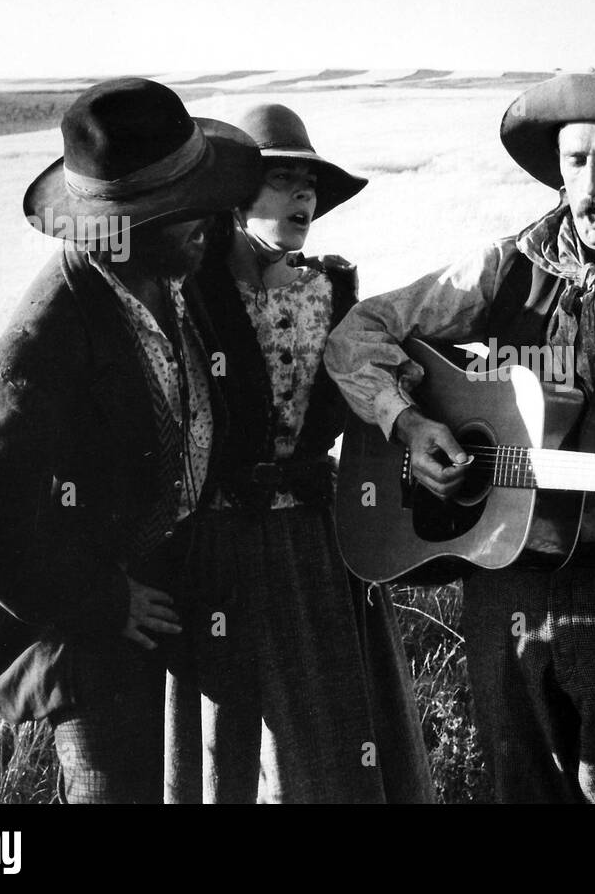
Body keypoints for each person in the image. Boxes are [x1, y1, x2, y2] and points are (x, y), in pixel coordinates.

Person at [324, 59, 595, 803]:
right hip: (503, 595)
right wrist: (411, 423)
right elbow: (357, 334)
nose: (590, 184)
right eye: (575, 160)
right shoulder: (499, 270)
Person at [0, 78, 261, 803]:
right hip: (84, 643)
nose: (205, 221)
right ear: (124, 224)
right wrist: (103, 600)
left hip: (165, 612)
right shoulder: (43, 343)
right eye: (181, 211)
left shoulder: (171, 272)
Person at [165, 102, 433, 803]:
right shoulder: (189, 290)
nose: (303, 196)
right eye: (282, 179)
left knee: (329, 748)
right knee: (224, 744)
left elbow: (375, 385)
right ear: (234, 196)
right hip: (219, 544)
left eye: (309, 183)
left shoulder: (334, 289)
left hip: (317, 544)